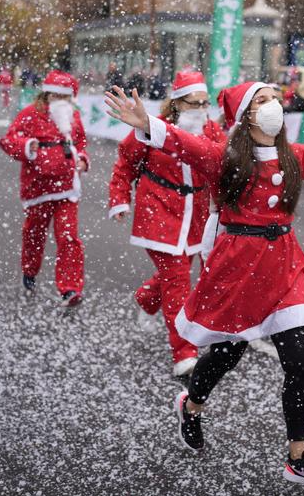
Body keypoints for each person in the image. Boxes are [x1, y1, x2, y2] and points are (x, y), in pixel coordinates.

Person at [105, 82, 304, 490]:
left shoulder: (294, 158)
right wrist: (146, 122)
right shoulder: (224, 157)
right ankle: (192, 405)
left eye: (274, 97)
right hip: (238, 268)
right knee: (225, 355)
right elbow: (184, 143)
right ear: (245, 117)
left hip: (285, 267)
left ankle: (299, 456)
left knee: (299, 360)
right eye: (261, 100)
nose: (272, 104)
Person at [108, 72, 226, 379]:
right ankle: (184, 354)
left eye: (205, 103)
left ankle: (147, 297)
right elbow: (125, 164)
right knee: (178, 281)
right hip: (158, 210)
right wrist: (120, 198)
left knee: (181, 273)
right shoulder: (151, 126)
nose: (201, 109)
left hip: (196, 214)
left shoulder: (212, 131)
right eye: (193, 103)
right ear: (177, 103)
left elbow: (227, 165)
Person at [0, 70, 90, 307]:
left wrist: (81, 158)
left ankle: (70, 289)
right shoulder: (30, 114)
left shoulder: (73, 116)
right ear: (46, 95)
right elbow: (8, 141)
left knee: (69, 237)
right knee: (34, 235)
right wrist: (28, 146)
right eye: (55, 97)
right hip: (38, 189)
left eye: (64, 98)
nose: (59, 103)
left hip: (67, 189)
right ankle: (29, 271)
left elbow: (80, 143)